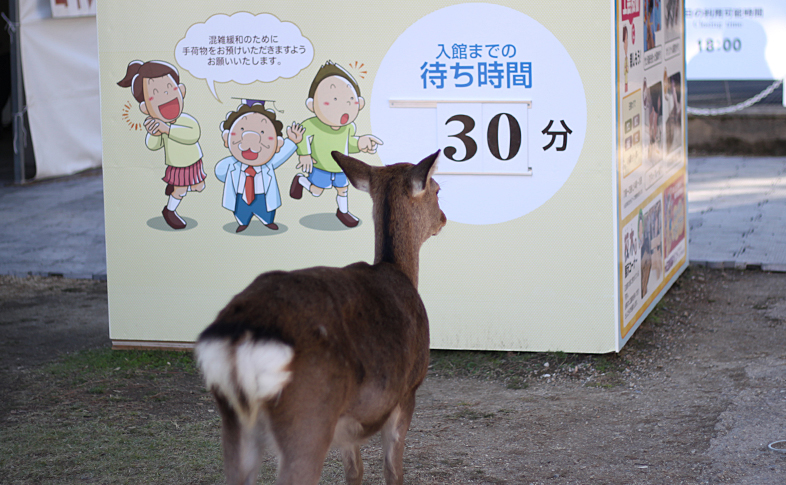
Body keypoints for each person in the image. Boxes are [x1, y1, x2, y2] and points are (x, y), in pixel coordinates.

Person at [289, 61, 383, 227]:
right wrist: (304, 154)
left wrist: (361, 143)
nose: (342, 107)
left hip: (340, 168)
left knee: (343, 190)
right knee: (317, 192)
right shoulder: (311, 125)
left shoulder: (348, 128)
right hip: (321, 167)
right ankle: (301, 181)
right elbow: (302, 137)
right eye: (332, 100)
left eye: (349, 100)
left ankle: (343, 212)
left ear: (359, 103)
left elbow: (349, 144)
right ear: (311, 105)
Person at [117, 60, 205, 230]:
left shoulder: (186, 120)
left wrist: (168, 129)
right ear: (145, 108)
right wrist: (154, 133)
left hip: (195, 161)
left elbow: (193, 135)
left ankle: (175, 187)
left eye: (168, 89)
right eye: (155, 94)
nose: (164, 96)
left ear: (181, 90)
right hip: (178, 165)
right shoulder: (160, 124)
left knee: (199, 186)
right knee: (181, 190)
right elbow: (153, 146)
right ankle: (169, 210)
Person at [214, 101, 304, 232]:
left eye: (262, 132)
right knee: (241, 213)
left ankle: (267, 222)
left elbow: (282, 155)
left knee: (267, 212)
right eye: (242, 130)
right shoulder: (233, 165)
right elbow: (220, 171)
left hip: (262, 195)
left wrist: (292, 141)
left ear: (277, 144)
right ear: (226, 138)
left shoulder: (268, 164)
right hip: (241, 196)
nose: (251, 138)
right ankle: (242, 223)